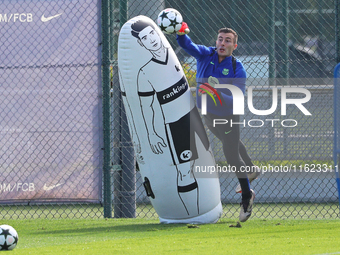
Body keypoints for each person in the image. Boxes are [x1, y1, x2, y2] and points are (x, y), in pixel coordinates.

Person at [176, 23, 260, 222]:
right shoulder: (206, 55)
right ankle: (251, 168)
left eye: (228, 41)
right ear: (216, 42)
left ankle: (247, 196)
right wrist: (180, 32)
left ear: (234, 46)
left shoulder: (236, 68)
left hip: (229, 116)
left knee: (231, 156)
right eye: (220, 39)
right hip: (209, 114)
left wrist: (217, 91)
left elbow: (237, 99)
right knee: (229, 142)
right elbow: (188, 45)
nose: (223, 43)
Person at [130, 19, 212, 215]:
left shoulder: (173, 57)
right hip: (175, 124)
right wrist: (151, 134)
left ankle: (204, 209)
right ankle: (187, 216)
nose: (151, 40)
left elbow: (189, 47)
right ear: (141, 44)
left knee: (202, 164)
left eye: (152, 34)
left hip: (193, 116)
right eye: (145, 38)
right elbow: (146, 107)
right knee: (184, 171)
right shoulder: (145, 72)